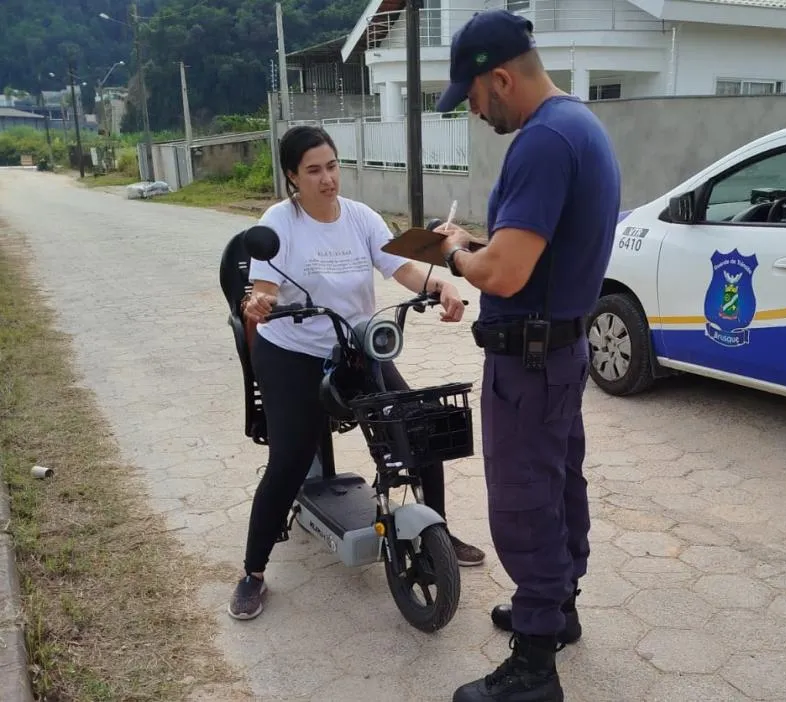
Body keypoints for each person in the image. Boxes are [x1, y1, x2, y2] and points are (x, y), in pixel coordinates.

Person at [432, 9, 621, 702]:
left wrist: (451, 251)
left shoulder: (542, 142)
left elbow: (506, 274)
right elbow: (533, 252)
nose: (475, 112)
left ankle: (534, 666)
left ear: (502, 79)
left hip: (529, 363)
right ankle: (557, 608)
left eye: (474, 97)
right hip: (559, 352)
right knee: (559, 483)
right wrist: (480, 244)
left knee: (522, 502)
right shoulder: (579, 126)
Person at [228, 125, 486, 621]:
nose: (327, 179)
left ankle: (438, 532)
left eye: (331, 166)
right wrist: (259, 302)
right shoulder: (278, 222)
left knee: (419, 426)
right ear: (292, 176)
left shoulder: (361, 217)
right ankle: (253, 572)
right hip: (294, 354)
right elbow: (263, 290)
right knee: (289, 460)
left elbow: (403, 269)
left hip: (356, 349)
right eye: (313, 170)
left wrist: (440, 285)